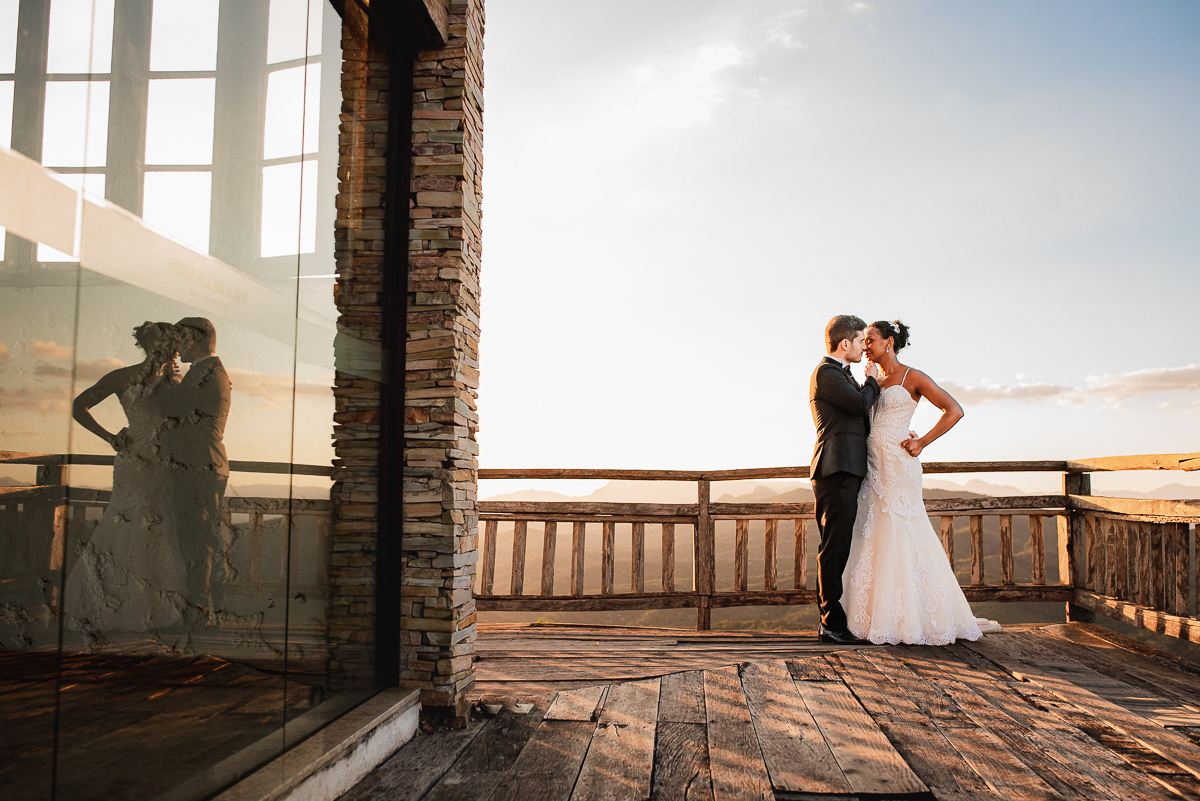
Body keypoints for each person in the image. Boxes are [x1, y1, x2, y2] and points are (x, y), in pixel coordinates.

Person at [841, 320, 1000, 644]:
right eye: (864, 341)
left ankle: (918, 617)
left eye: (870, 339)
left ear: (888, 342)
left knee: (904, 530)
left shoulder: (912, 376)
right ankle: (876, 616)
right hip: (873, 467)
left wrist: (922, 441)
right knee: (873, 533)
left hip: (900, 467)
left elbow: (954, 410)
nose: (865, 345)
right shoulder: (872, 380)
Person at [65, 322, 186, 635]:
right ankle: (117, 605)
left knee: (162, 527)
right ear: (151, 345)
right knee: (127, 523)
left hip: (168, 461)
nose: (175, 350)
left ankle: (158, 608)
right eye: (169, 343)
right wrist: (108, 437)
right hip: (134, 459)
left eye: (176, 344)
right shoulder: (122, 376)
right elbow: (79, 406)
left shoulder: (178, 380)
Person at [156, 317, 232, 625]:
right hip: (205, 464)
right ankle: (212, 609)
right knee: (204, 539)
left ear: (193, 339)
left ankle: (199, 613)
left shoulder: (204, 372)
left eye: (180, 339)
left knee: (197, 542)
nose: (177, 346)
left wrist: (163, 379)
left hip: (199, 465)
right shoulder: (209, 371)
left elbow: (172, 408)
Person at [810, 315, 880, 644]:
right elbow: (860, 404)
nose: (864, 346)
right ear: (845, 343)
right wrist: (873, 380)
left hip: (847, 469)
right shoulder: (826, 373)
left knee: (840, 545)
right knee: (834, 548)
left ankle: (835, 621)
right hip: (835, 469)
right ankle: (831, 624)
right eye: (861, 340)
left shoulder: (842, 374)